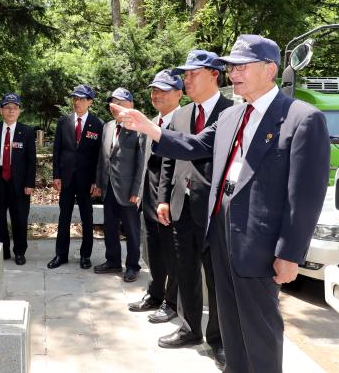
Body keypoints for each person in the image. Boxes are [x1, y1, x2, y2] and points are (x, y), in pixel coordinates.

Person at [112, 35, 329, 373]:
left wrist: (290, 254)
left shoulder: (301, 118)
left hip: (260, 245)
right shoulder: (231, 117)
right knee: (230, 324)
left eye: (242, 66)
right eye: (232, 67)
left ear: (270, 69)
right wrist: (148, 128)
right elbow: (193, 145)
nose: (234, 73)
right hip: (221, 235)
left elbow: (305, 197)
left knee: (259, 329)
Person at [155, 51, 232, 368]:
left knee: (216, 278)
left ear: (214, 74)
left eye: (192, 74)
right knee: (184, 270)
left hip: (213, 210)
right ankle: (189, 329)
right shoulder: (182, 114)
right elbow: (169, 159)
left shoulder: (231, 114)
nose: (186, 79)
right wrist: (163, 197)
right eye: (184, 75)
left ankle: (220, 339)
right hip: (179, 205)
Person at [128, 70, 182, 324]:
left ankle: (172, 303)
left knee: (172, 255)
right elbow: (145, 163)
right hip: (148, 200)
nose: (156, 95)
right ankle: (155, 293)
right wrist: (140, 194)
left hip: (170, 202)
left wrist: (168, 201)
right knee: (152, 253)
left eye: (163, 90)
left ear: (179, 93)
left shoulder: (183, 122)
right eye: (154, 90)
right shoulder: (150, 123)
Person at [47, 84, 103, 269]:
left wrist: (96, 180)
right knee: (64, 217)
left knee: (87, 218)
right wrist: (56, 175)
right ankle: (60, 255)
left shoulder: (98, 124)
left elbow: (99, 156)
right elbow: (57, 150)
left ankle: (85, 256)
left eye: (81, 99)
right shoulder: (63, 122)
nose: (77, 102)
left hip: (87, 181)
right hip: (67, 178)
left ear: (90, 102)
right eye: (75, 98)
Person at [93, 88, 144, 282]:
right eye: (113, 104)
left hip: (128, 190)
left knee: (131, 230)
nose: (116, 107)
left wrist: (136, 190)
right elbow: (103, 157)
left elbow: (141, 163)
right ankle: (113, 261)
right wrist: (99, 182)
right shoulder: (107, 127)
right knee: (110, 227)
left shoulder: (139, 128)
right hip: (108, 188)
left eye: (121, 103)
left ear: (131, 105)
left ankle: (132, 266)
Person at [0, 93, 36, 265]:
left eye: (14, 108)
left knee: (19, 218)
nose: (11, 111)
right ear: (1, 111)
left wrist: (29, 183)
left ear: (19, 111)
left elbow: (31, 160)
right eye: (7, 108)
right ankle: (3, 249)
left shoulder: (27, 131)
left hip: (20, 183)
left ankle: (20, 252)